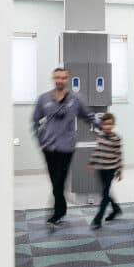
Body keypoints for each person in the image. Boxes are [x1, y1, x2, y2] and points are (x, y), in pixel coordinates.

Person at [32, 67, 98, 226]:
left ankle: (58, 212)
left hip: (66, 147)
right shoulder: (44, 99)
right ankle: (61, 209)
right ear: (53, 79)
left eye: (63, 77)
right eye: (57, 77)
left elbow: (88, 116)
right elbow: (35, 120)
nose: (60, 80)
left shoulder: (75, 99)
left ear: (67, 79)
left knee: (58, 182)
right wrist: (40, 141)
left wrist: (103, 128)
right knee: (55, 181)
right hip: (49, 147)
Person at [88, 112, 123, 230]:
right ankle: (116, 209)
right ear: (102, 125)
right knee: (105, 192)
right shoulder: (101, 135)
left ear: (113, 125)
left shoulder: (116, 139)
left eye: (110, 124)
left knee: (104, 194)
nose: (107, 126)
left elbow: (118, 155)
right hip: (100, 168)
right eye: (105, 124)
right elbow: (97, 150)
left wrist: (119, 171)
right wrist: (92, 162)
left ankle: (98, 219)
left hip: (110, 169)